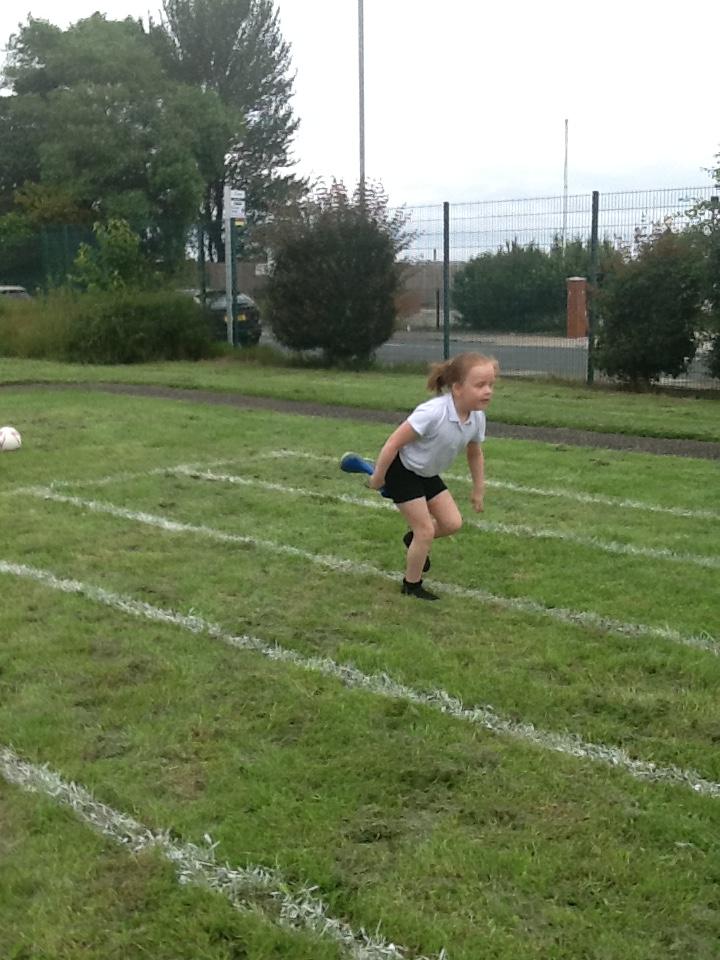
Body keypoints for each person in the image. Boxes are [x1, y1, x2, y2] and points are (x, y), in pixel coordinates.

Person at [368, 352, 498, 600]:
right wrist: (378, 477)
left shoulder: (477, 417)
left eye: (491, 385)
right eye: (480, 385)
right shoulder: (432, 412)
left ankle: (413, 540)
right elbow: (393, 443)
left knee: (452, 523)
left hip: (427, 473)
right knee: (425, 530)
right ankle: (412, 585)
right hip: (402, 470)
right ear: (457, 388)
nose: (488, 391)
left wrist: (478, 489)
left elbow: (474, 453)